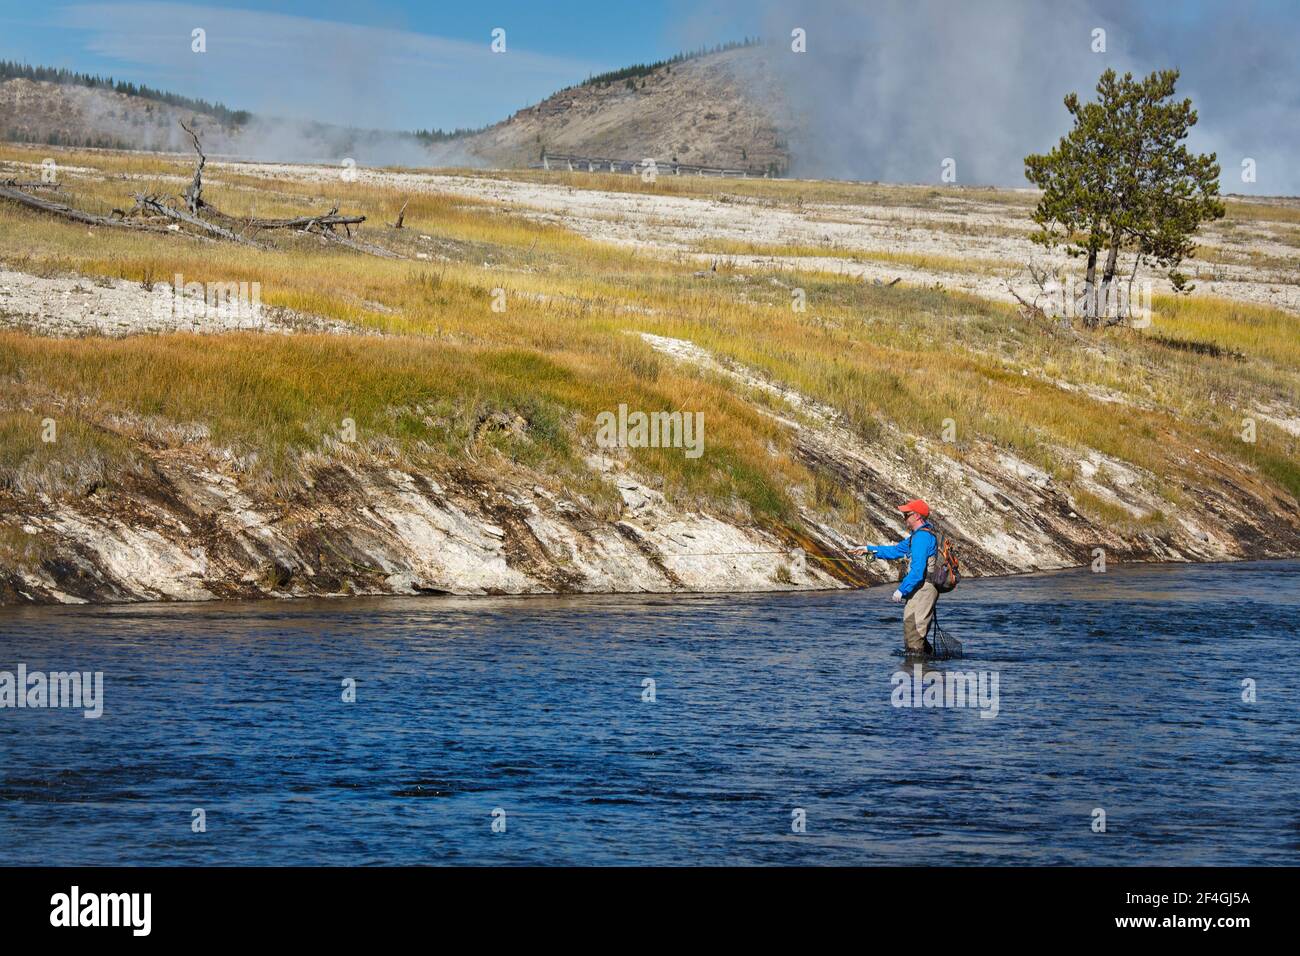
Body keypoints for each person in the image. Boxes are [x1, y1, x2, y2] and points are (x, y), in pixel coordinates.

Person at [850, 499, 939, 655]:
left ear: (917, 516)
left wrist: (901, 591)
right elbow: (895, 551)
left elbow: (918, 571)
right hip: (919, 588)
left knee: (914, 629)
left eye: (906, 514)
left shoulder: (921, 538)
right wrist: (867, 549)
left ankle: (917, 669)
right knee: (913, 627)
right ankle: (922, 663)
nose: (903, 517)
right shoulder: (916, 536)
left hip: (923, 589)